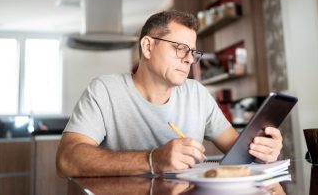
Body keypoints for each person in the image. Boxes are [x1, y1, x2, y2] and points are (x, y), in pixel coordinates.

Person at [56, 10, 283, 177]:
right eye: (179, 48)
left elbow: (237, 149)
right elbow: (67, 159)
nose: (189, 59)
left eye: (193, 52)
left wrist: (261, 150)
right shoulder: (105, 91)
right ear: (147, 47)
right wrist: (152, 159)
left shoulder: (197, 94)